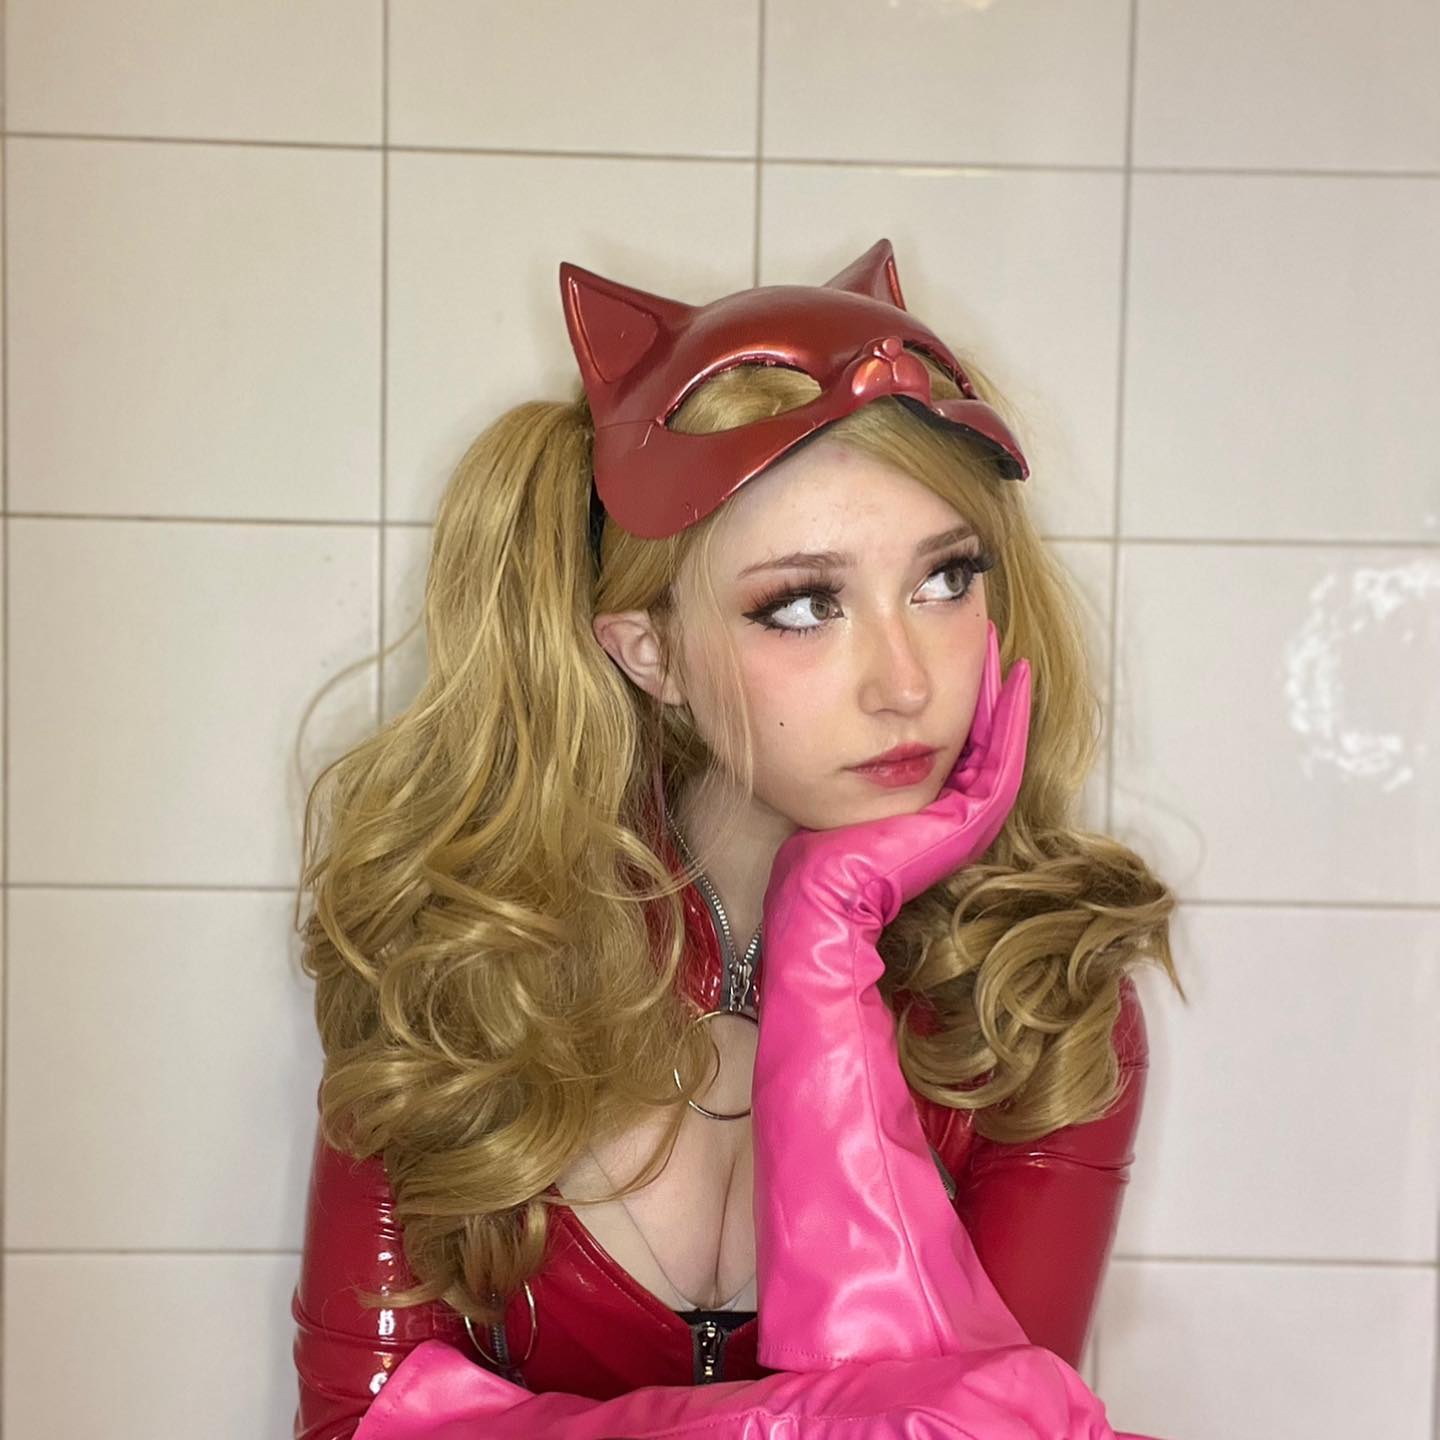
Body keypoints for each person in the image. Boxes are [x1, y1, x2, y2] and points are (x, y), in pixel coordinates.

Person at [290, 239, 1184, 1438]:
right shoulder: (466, 962)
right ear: (649, 651)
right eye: (805, 604)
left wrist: (827, 937)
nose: (906, 682)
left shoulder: (1042, 1003)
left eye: (944, 580)